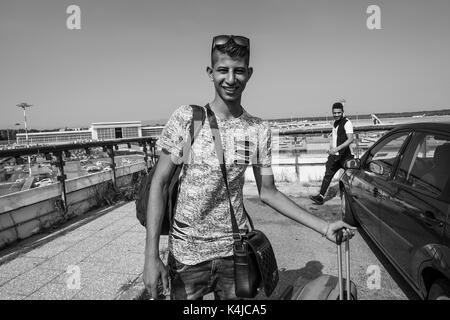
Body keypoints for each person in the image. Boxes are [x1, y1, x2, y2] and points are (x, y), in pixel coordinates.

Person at [143, 35, 356, 300]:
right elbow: (160, 185)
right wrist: (151, 256)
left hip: (235, 254)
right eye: (222, 70)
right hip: (186, 257)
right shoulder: (189, 120)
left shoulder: (257, 130)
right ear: (210, 73)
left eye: (238, 71)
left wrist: (323, 227)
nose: (231, 79)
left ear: (249, 74)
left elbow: (269, 192)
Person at [310, 102, 354, 205]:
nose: (336, 114)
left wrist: (337, 149)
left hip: (345, 156)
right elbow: (335, 138)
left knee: (349, 178)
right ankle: (320, 197)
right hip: (335, 156)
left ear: (343, 112)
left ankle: (352, 199)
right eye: (334, 113)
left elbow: (350, 139)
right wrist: (331, 150)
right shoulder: (335, 123)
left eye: (339, 112)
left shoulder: (347, 123)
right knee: (328, 175)